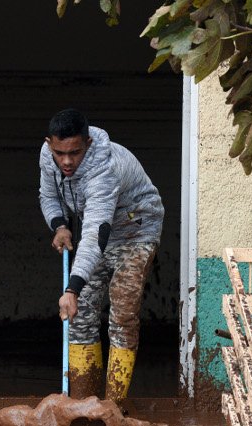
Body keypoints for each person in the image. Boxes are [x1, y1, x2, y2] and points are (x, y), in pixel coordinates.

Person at [39, 109, 164, 403]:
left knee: (122, 312)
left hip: (136, 232)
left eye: (74, 153)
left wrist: (71, 289)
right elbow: (48, 195)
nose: (66, 161)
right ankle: (84, 406)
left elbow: (96, 232)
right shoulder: (47, 156)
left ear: (88, 143)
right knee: (79, 314)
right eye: (60, 153)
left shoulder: (104, 170)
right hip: (99, 231)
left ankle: (112, 408)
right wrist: (59, 226)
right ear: (49, 143)